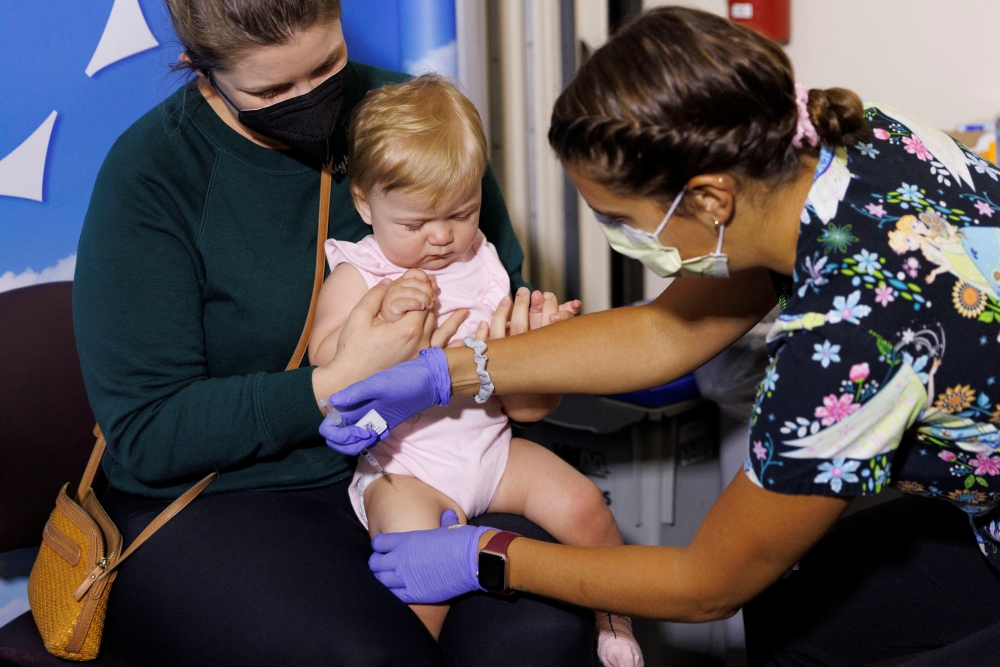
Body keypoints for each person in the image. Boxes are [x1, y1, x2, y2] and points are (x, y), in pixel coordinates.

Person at [321, 7, 1000, 666]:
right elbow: (663, 332)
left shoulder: (854, 339)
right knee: (788, 614)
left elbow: (705, 584)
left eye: (619, 217)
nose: (620, 238)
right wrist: (453, 370)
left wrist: (487, 554)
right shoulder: (835, 143)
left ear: (708, 199)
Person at [72, 1, 595, 664]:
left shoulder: (412, 124)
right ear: (195, 66)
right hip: (218, 497)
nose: (313, 103)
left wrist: (529, 370)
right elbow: (148, 433)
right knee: (367, 654)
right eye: (270, 90)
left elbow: (516, 370)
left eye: (327, 65)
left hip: (422, 461)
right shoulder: (152, 176)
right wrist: (339, 380)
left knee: (541, 632)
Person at [308, 74, 642, 666]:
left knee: (586, 505)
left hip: (493, 449)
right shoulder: (359, 272)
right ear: (364, 203)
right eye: (414, 225)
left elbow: (523, 396)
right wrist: (385, 319)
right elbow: (325, 361)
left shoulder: (484, 262)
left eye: (461, 212)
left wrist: (538, 345)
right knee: (417, 573)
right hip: (408, 468)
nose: (441, 238)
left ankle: (614, 619)